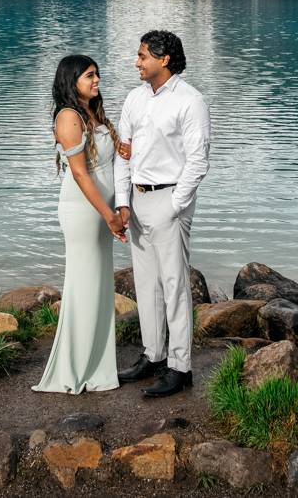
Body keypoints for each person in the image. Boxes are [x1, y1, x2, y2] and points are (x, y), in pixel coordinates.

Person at [112, 29, 210, 398]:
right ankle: (152, 356)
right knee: (146, 285)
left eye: (142, 56)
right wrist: (123, 202)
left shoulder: (190, 101)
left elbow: (198, 161)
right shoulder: (134, 99)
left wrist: (175, 205)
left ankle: (180, 367)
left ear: (164, 59)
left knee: (174, 287)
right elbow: (124, 154)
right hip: (136, 203)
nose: (137, 62)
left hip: (170, 202)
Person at [32, 54, 131, 395]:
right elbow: (79, 172)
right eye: (90, 75)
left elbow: (113, 158)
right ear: (71, 79)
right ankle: (75, 367)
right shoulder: (69, 116)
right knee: (84, 285)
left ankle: (97, 363)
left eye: (97, 74)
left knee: (99, 286)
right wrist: (108, 214)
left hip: (103, 210)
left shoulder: (93, 113)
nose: (97, 80)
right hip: (84, 211)